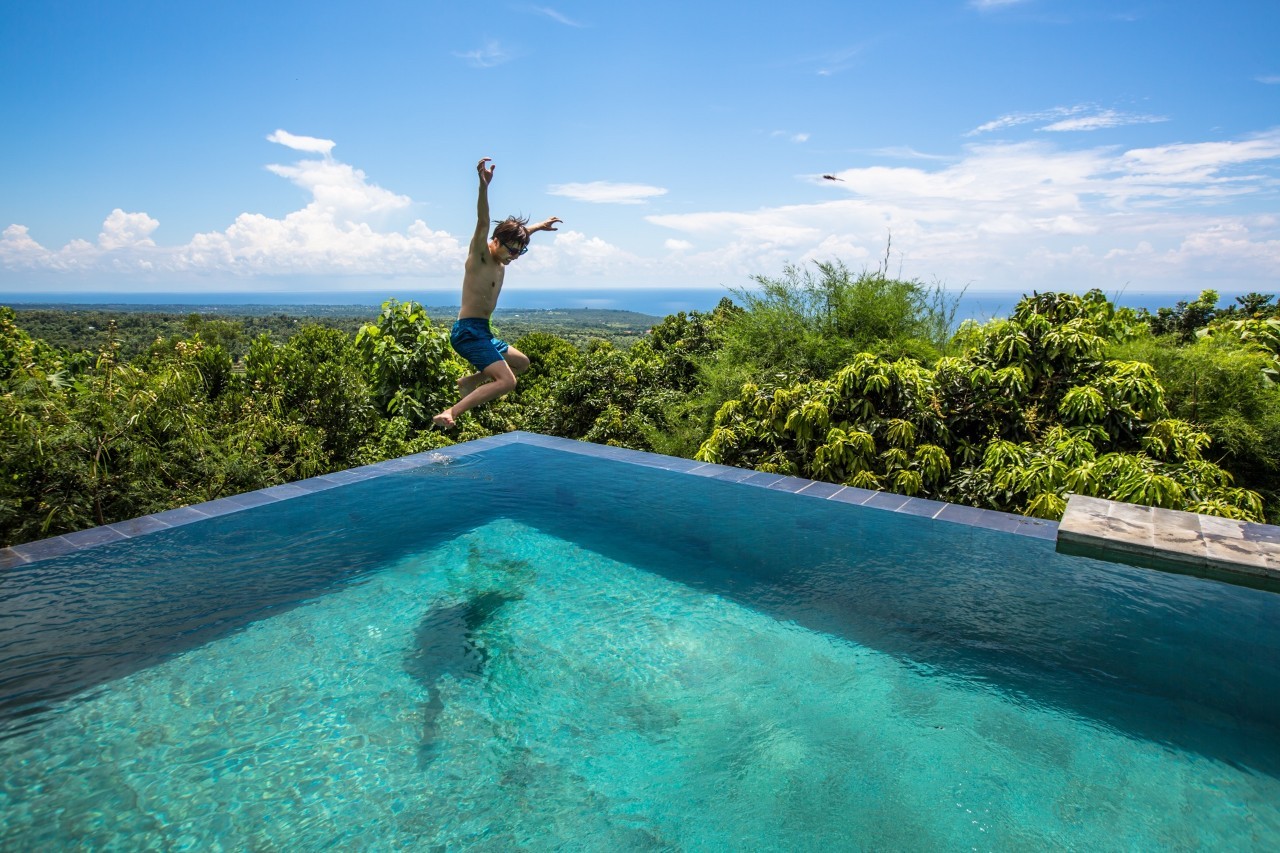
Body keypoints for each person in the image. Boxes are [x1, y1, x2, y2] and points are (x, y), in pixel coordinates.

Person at [433, 157, 561, 429]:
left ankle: (469, 380)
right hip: (467, 332)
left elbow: (520, 234)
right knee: (507, 382)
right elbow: (483, 221)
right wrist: (483, 187)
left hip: (484, 331)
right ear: (495, 241)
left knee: (522, 363)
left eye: (520, 251)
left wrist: (539, 226)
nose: (515, 256)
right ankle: (451, 412)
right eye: (511, 250)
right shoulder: (480, 257)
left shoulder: (504, 255)